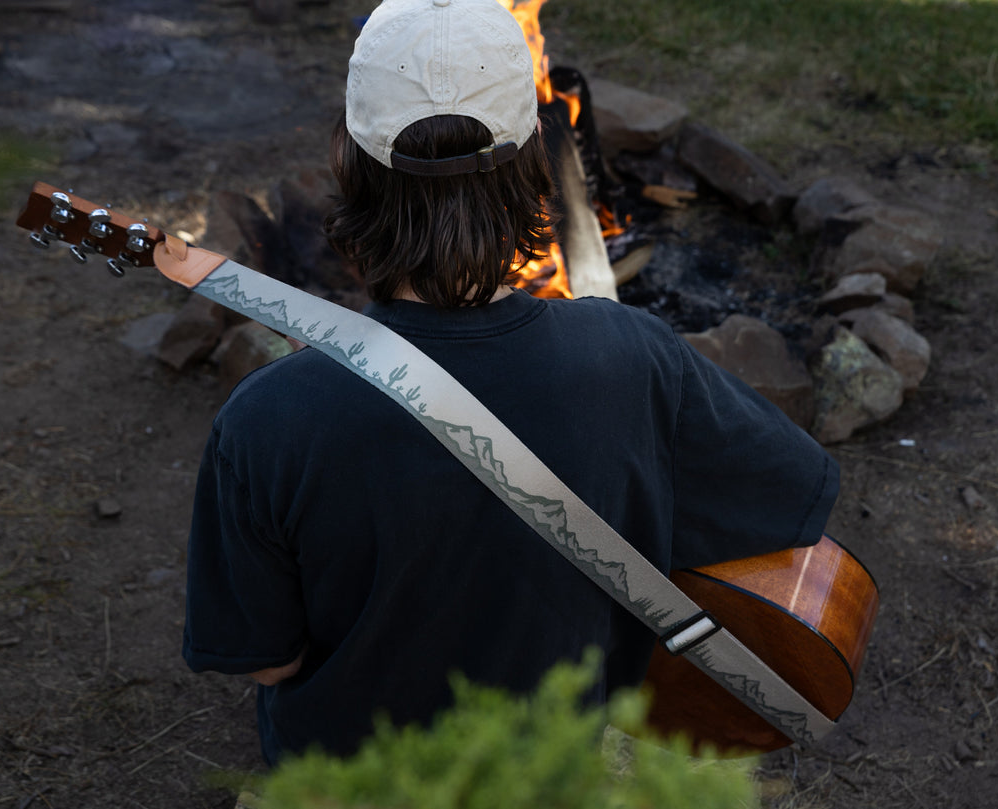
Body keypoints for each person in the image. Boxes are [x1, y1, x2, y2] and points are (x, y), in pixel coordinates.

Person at [182, 0, 839, 766]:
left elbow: (265, 659)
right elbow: (789, 502)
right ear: (534, 162)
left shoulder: (266, 418)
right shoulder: (633, 355)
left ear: (349, 166)